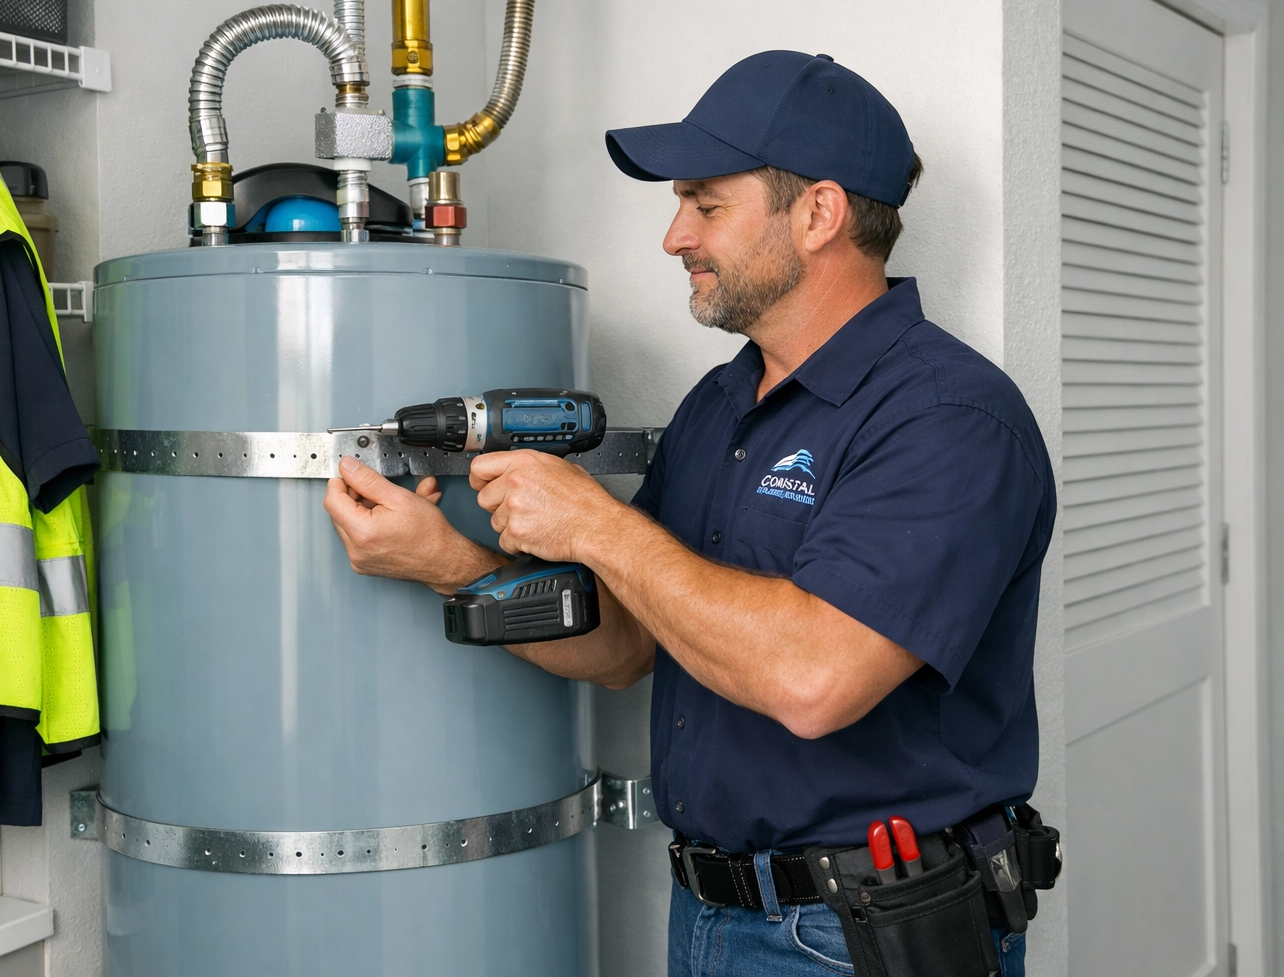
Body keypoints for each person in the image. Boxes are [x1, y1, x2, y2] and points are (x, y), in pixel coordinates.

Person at [323, 50, 1053, 977]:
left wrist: (591, 522)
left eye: (706, 205)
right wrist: (448, 563)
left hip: (860, 937)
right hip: (710, 920)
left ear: (819, 214)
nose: (675, 237)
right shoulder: (722, 403)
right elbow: (627, 644)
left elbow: (815, 679)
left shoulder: (947, 419)